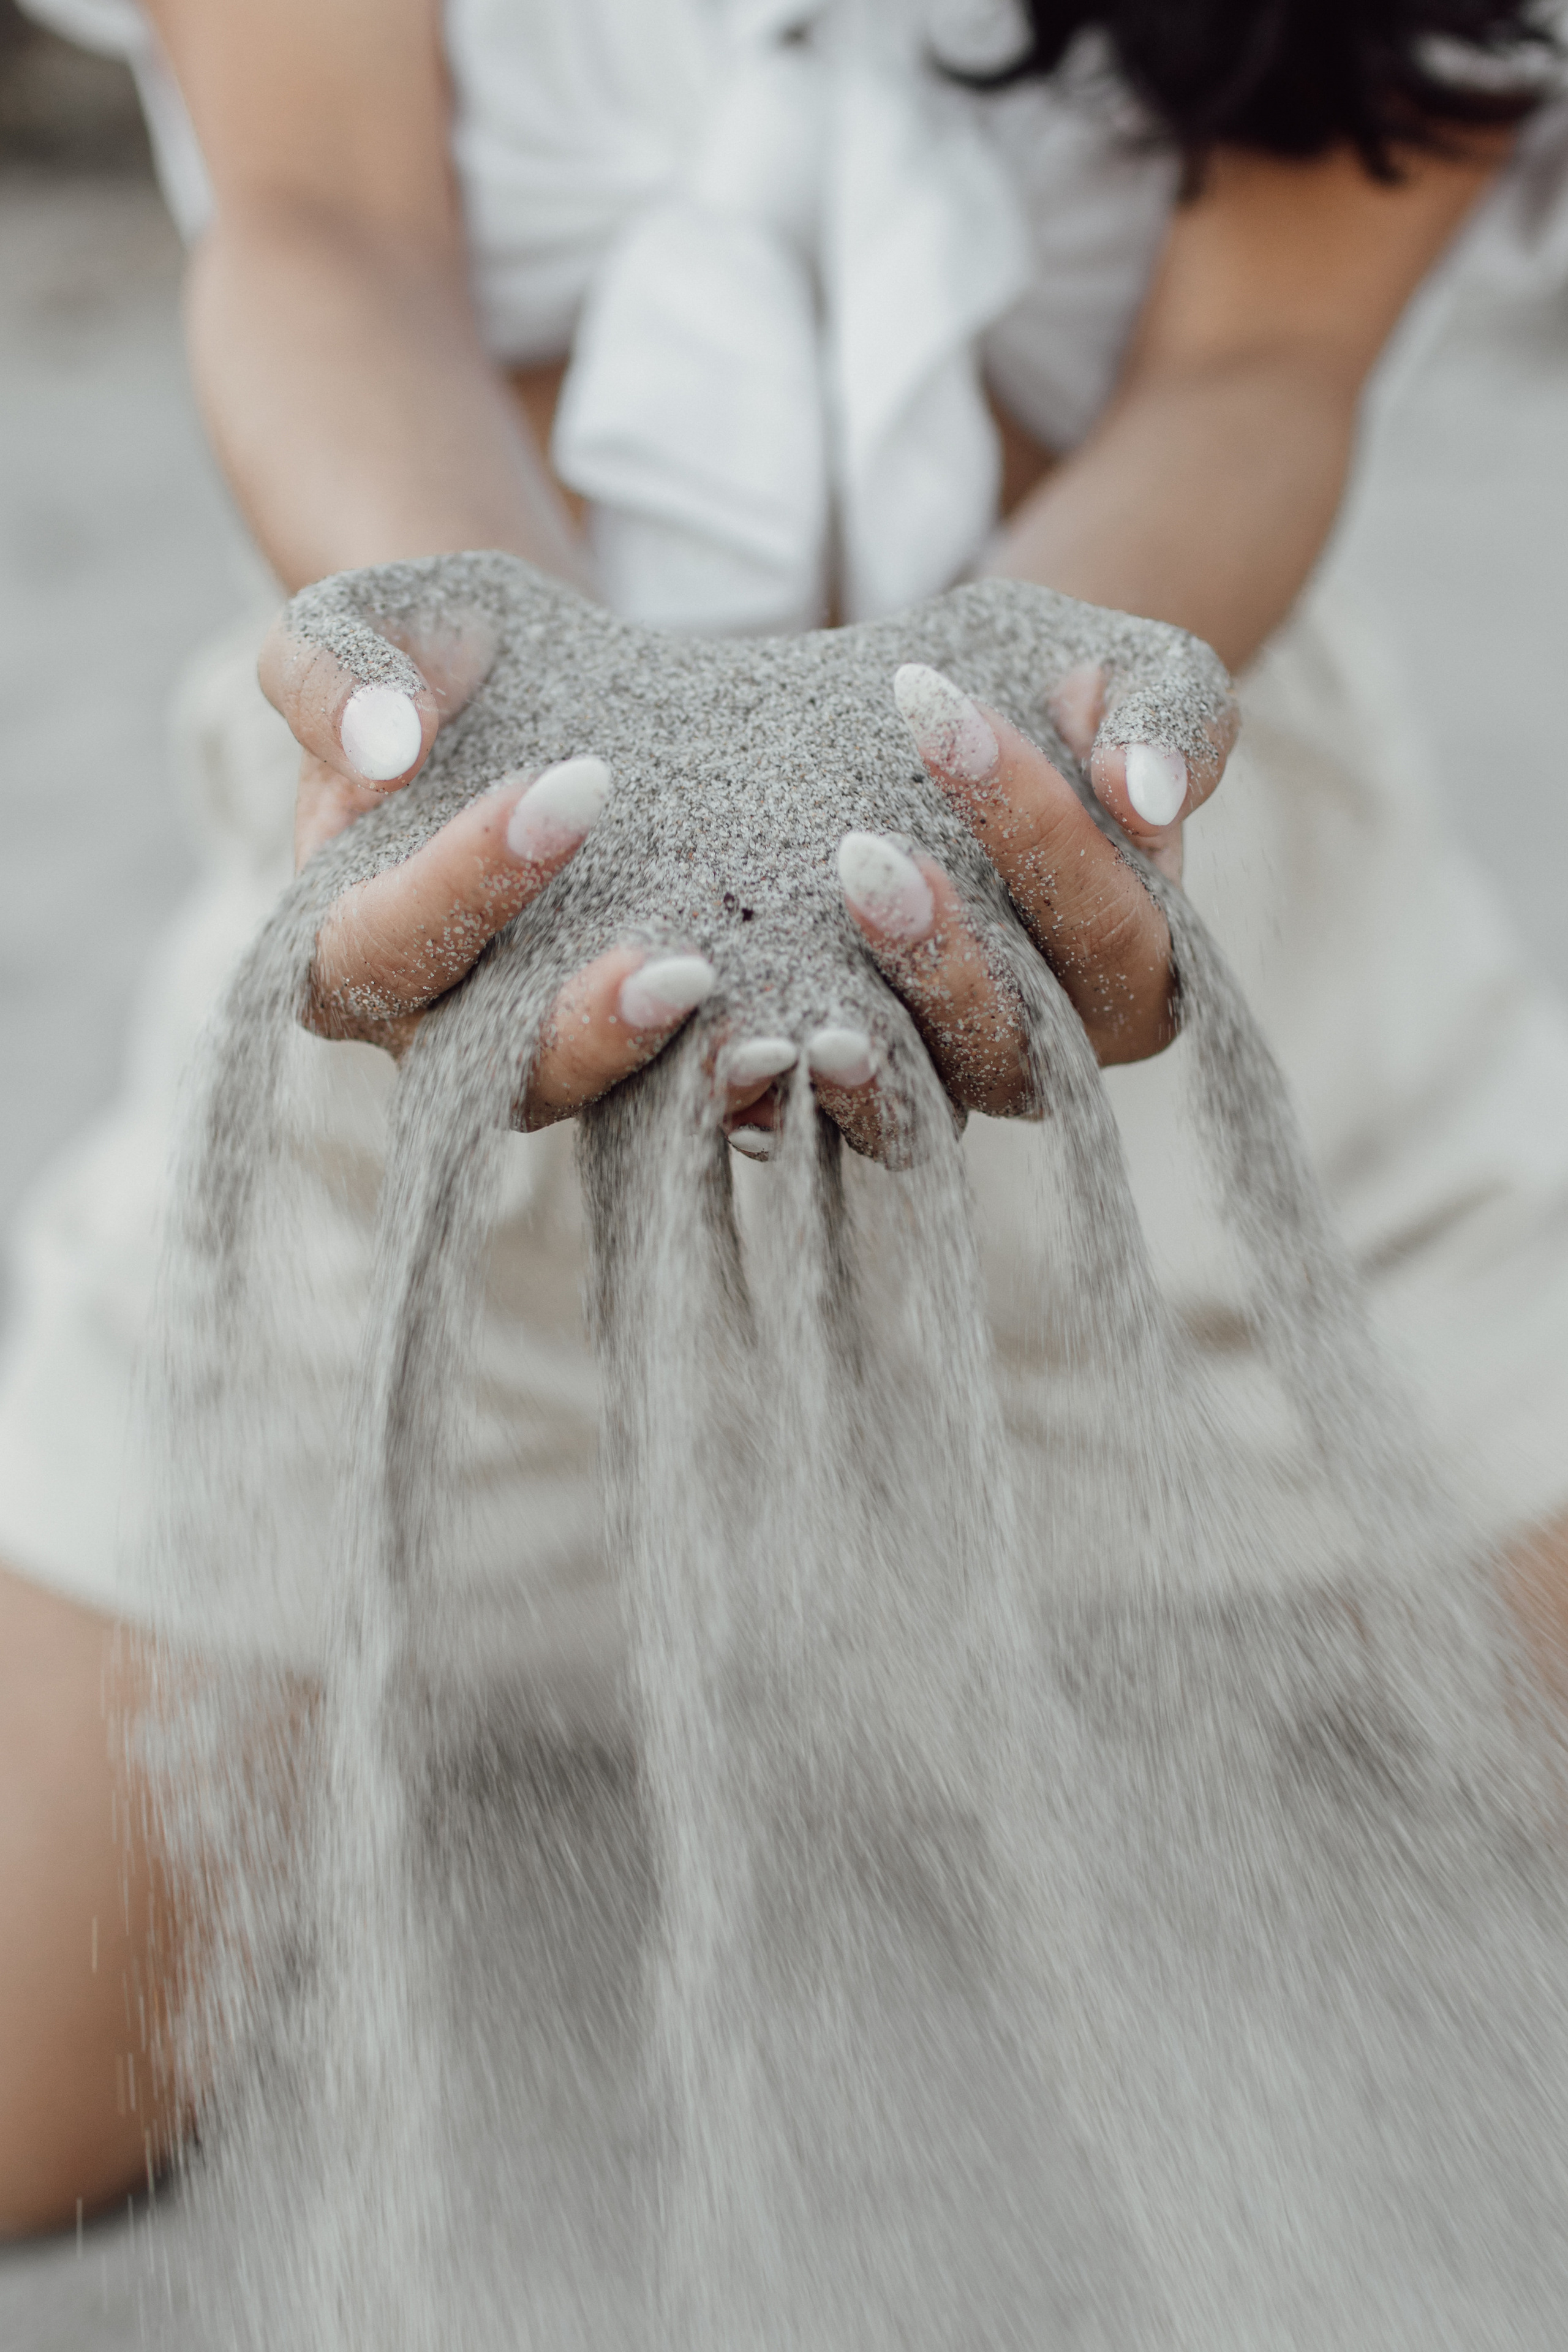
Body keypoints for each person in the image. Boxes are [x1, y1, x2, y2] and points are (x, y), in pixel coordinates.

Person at [3, 0, 1567, 2238]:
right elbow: (327, 224)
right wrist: (462, 711)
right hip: (449, 950)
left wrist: (1045, 744)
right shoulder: (458, 833)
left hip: (1173, 951)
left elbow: (1260, 365)